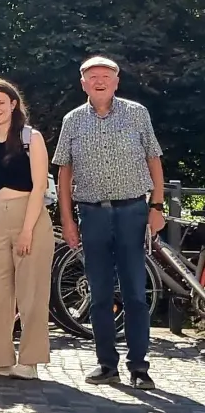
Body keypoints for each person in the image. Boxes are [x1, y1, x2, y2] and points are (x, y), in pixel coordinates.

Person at [54, 56, 165, 390]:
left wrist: (156, 205)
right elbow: (64, 173)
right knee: (100, 293)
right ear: (83, 83)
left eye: (106, 76)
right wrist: (67, 220)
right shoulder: (72, 120)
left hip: (132, 211)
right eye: (92, 76)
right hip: (92, 214)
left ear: (116, 82)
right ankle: (106, 364)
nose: (99, 81)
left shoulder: (137, 113)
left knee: (134, 291)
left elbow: (154, 159)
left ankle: (139, 367)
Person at [0, 79, 52, 379]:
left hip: (28, 215)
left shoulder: (31, 138)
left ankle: (29, 361)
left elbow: (39, 186)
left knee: (31, 292)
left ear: (13, 104)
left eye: (0, 103)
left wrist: (28, 230)